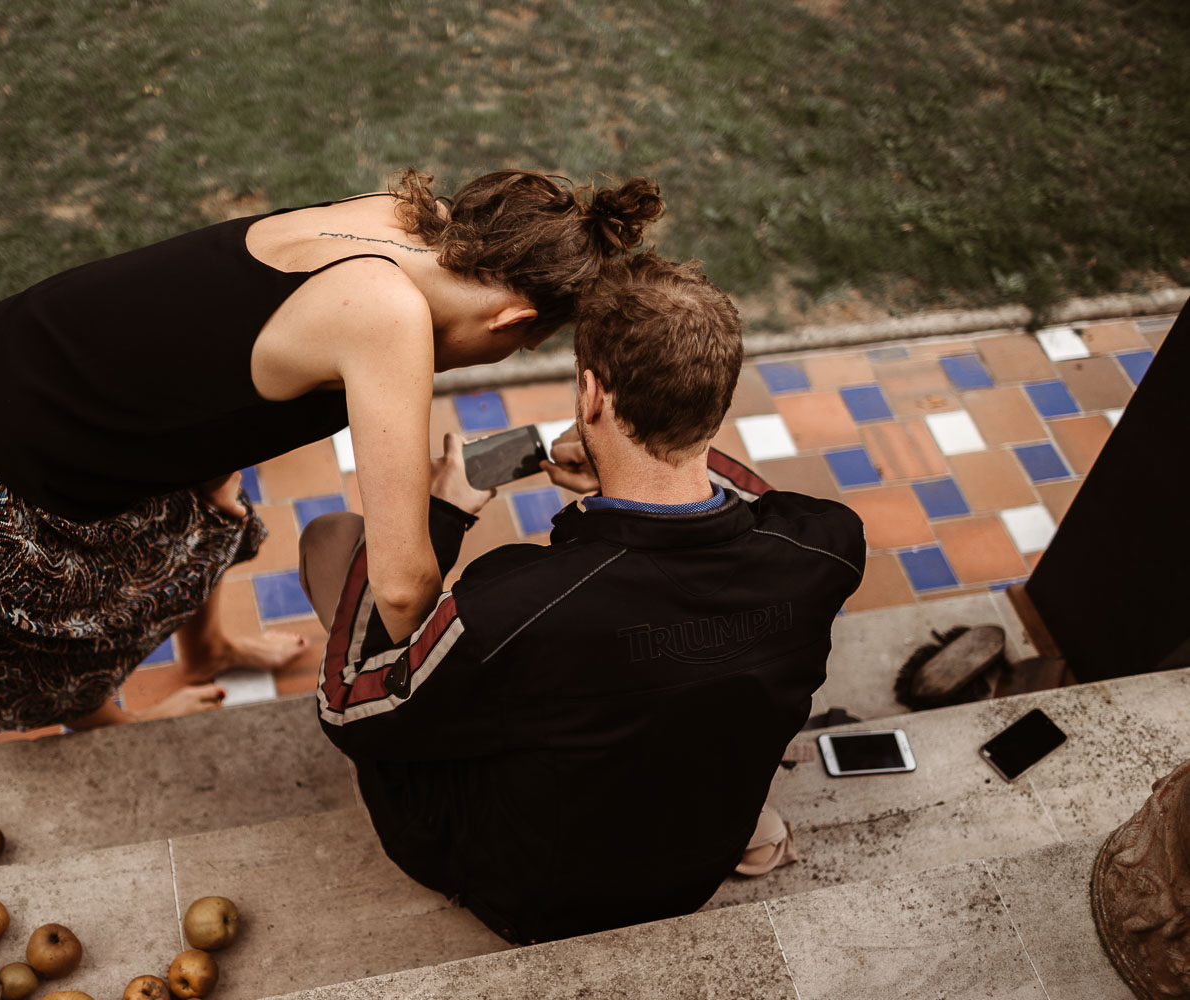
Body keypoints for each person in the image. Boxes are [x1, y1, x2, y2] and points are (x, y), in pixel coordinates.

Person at [0, 169, 664, 748]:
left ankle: (205, 652)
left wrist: (213, 470)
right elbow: (402, 584)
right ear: (513, 317)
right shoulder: (389, 317)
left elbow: (211, 325)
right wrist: (472, 704)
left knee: (214, 508)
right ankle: (106, 725)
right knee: (73, 629)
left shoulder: (400, 220)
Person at [298, 252, 866, 944]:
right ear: (717, 402)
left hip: (532, 897)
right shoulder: (825, 548)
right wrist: (630, 466)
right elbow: (763, 504)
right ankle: (751, 819)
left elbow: (346, 708)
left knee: (333, 542)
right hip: (694, 865)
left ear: (591, 395)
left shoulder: (510, 609)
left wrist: (441, 514)